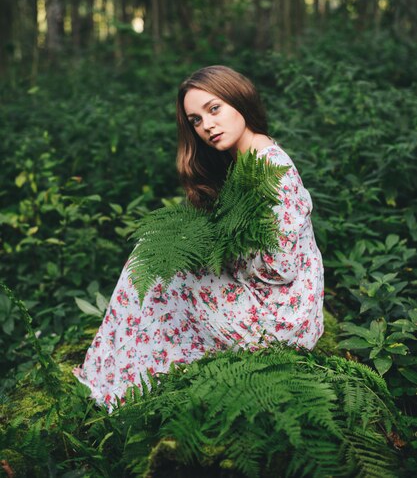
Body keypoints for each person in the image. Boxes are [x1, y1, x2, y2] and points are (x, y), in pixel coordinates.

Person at [73, 65, 324, 409]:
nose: (207, 125)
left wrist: (223, 251)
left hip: (281, 317)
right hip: (266, 301)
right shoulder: (243, 160)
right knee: (155, 255)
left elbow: (281, 268)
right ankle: (114, 377)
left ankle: (114, 385)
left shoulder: (272, 168)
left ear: (239, 100)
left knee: (164, 271)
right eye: (195, 120)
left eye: (214, 109)